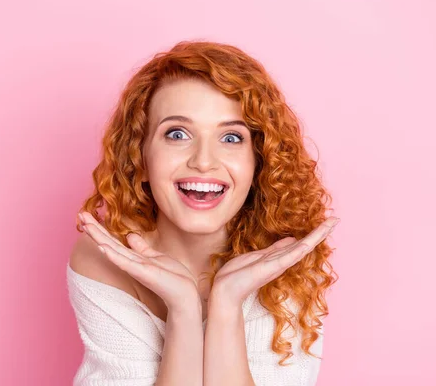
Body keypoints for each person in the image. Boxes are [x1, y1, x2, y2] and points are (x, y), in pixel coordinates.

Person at [67, 40, 339, 386]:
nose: (204, 161)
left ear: (258, 161)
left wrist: (226, 306)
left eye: (231, 138)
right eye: (177, 134)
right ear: (141, 157)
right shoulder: (105, 256)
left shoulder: (289, 260)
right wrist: (183, 310)